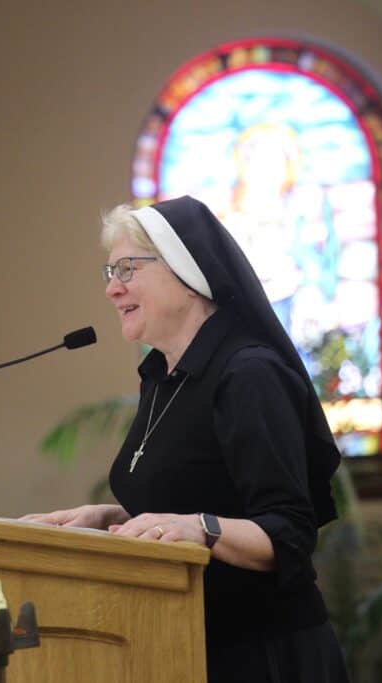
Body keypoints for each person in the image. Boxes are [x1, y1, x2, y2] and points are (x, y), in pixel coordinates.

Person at [23, 196, 348, 682]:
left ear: (186, 270)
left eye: (127, 269)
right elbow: (199, 497)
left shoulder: (249, 373)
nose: (112, 290)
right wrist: (111, 519)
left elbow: (290, 533)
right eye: (109, 272)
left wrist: (203, 529)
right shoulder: (162, 377)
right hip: (182, 647)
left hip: (264, 658)